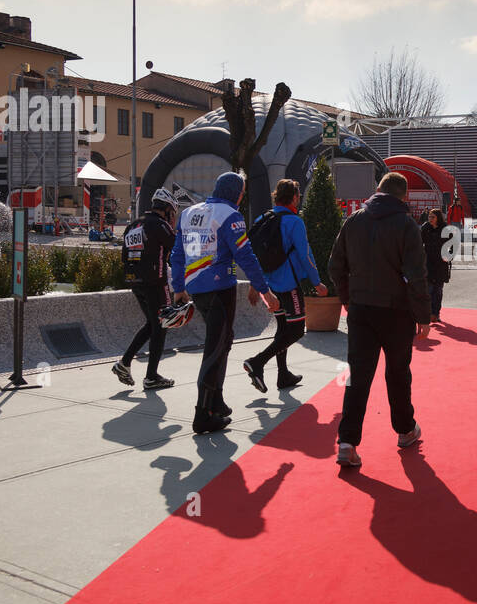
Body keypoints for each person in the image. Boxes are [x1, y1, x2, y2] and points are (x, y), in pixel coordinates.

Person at [328, 172, 430, 468]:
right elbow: (416, 275)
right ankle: (405, 430)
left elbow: (335, 265)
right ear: (403, 196)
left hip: (361, 309)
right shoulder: (407, 225)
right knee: (398, 373)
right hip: (397, 311)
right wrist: (423, 315)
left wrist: (348, 298)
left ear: (378, 190)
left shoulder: (354, 220)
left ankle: (347, 442)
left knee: (357, 376)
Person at [170, 172, 279, 435]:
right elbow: (246, 256)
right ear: (236, 193)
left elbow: (177, 254)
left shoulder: (188, 213)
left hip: (196, 288)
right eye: (242, 192)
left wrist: (179, 288)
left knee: (223, 342)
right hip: (220, 289)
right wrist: (266, 292)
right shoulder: (230, 215)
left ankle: (216, 402)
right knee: (215, 349)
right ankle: (202, 415)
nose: (242, 196)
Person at [241, 179, 327, 394]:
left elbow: (253, 255)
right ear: (295, 198)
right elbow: (305, 255)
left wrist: (255, 284)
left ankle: (283, 375)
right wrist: (316, 282)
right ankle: (257, 362)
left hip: (270, 286)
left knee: (282, 328)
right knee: (296, 330)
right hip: (289, 284)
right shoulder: (294, 222)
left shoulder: (263, 218)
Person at [113, 188, 179, 390]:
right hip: (155, 282)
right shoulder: (160, 225)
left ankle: (124, 363)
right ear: (167, 209)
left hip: (136, 282)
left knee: (153, 324)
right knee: (162, 325)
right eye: (173, 213)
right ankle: (151, 377)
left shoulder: (133, 225)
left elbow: (124, 256)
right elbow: (177, 249)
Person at [419, 207, 451, 323]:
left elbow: (453, 244)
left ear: (438, 218)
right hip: (428, 262)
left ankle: (436, 313)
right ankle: (429, 313)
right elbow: (418, 242)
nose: (430, 219)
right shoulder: (425, 228)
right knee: (428, 290)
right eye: (429, 217)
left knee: (438, 290)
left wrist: (448, 256)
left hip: (441, 263)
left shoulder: (445, 229)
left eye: (433, 217)